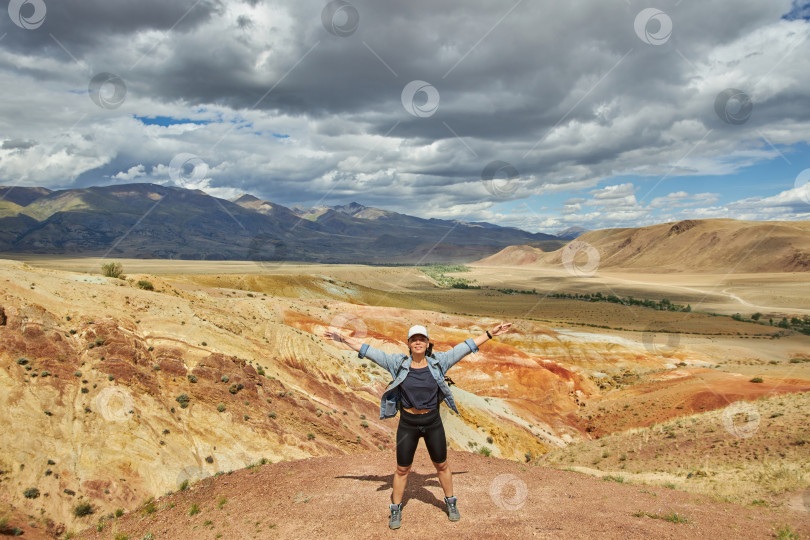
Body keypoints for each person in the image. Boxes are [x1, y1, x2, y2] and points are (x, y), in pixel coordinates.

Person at [323, 321, 512, 530]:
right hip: (408, 424)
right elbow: (369, 352)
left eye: (422, 339)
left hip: (432, 422)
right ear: (409, 343)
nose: (418, 342)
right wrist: (343, 339)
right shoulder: (397, 363)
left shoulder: (439, 362)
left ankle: (451, 502)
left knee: (441, 465)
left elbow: (464, 348)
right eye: (414, 339)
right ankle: (395, 508)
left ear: (427, 343)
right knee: (402, 469)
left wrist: (490, 333)